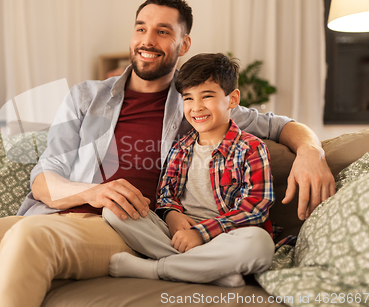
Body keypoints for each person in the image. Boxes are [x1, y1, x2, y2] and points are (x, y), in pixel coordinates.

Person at [0, 0, 335, 307]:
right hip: (55, 214)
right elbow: (45, 178)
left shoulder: (197, 103)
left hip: (122, 228)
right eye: (141, 27)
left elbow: (282, 126)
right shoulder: (86, 96)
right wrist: (91, 191)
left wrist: (311, 152)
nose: (148, 38)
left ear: (183, 45)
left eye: (163, 31)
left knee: (30, 239)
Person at [103, 52, 275, 287]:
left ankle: (159, 268)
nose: (197, 107)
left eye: (207, 96)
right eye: (188, 98)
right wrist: (172, 215)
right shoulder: (181, 147)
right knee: (113, 210)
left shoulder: (251, 148)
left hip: (225, 236)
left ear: (232, 99)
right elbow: (166, 194)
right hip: (177, 234)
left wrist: (201, 233)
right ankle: (211, 270)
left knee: (259, 244)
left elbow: (254, 208)